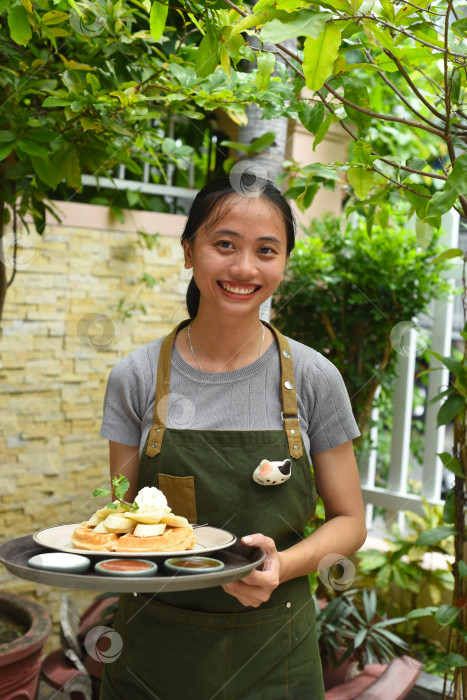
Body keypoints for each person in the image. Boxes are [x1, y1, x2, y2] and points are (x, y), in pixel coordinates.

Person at [98, 173, 367, 700]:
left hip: (275, 655)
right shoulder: (134, 376)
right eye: (225, 245)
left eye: (266, 250)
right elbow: (119, 514)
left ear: (284, 264)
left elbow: (351, 521)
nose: (244, 268)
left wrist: (280, 565)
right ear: (188, 251)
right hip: (153, 655)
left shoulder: (314, 379)